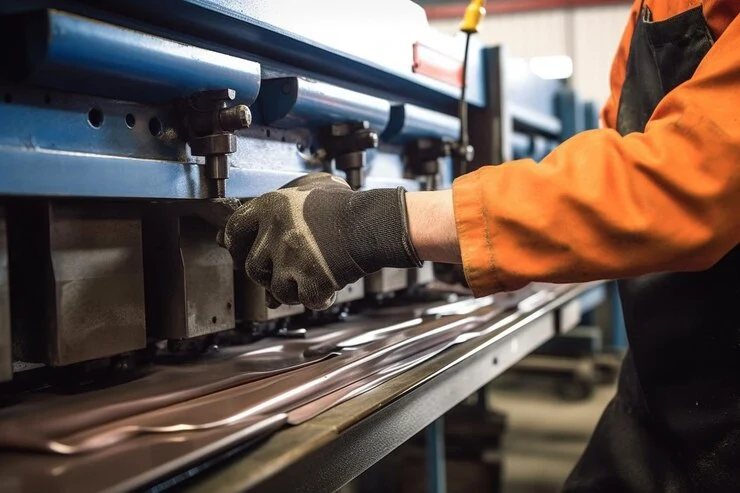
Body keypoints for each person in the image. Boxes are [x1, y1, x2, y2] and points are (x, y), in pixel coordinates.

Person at [221, 1, 740, 491]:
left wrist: (374, 224)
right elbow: (616, 161)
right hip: (664, 391)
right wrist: (470, 247)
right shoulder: (654, 6)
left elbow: (684, 180)